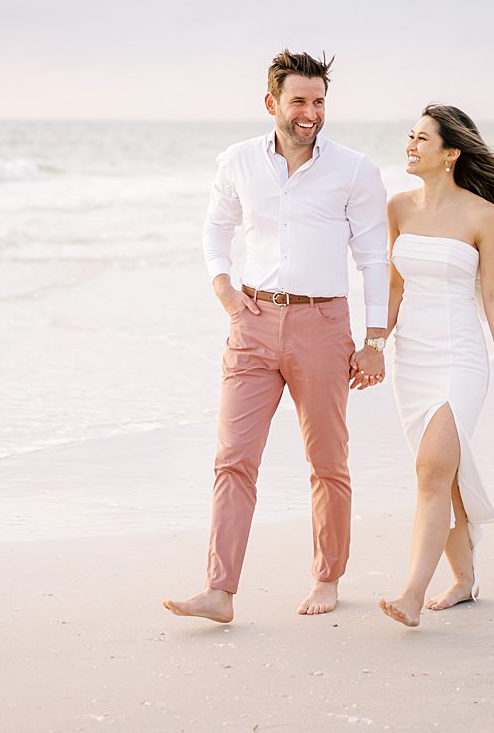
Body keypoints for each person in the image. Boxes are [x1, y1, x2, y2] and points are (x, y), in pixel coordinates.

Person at [163, 50, 390, 623]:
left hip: (323, 324)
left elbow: (373, 259)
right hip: (253, 321)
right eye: (299, 101)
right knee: (233, 458)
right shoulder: (238, 161)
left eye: (318, 102)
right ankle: (219, 591)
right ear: (272, 104)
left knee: (326, 460)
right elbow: (215, 228)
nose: (310, 112)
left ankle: (327, 577)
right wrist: (221, 286)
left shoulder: (355, 170)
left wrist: (375, 340)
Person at [378, 104, 494, 627]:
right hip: (411, 355)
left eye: (422, 139)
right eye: (409, 136)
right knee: (446, 477)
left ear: (451, 152)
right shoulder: (397, 208)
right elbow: (393, 286)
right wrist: (372, 343)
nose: (410, 145)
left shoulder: (481, 215)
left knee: (432, 470)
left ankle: (411, 593)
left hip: (460, 357)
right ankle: (465, 579)